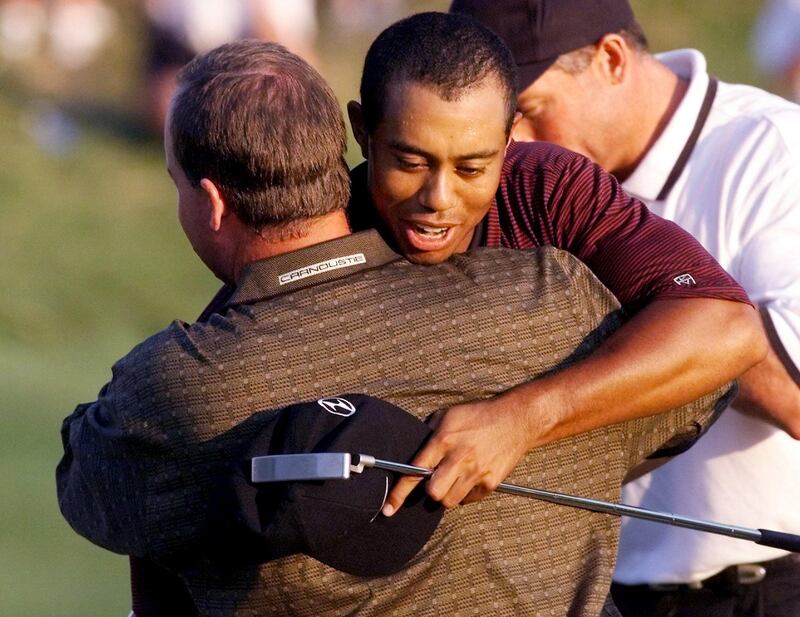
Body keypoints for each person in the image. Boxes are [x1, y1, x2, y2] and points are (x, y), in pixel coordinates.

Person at [58, 39, 729, 616]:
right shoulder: (555, 299)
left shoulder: (172, 387)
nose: (440, 196)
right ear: (352, 144)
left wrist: (523, 420)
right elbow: (699, 388)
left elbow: (91, 485)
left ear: (210, 202)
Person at [452, 0, 800, 615]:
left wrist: (677, 314)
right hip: (596, 592)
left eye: (529, 111)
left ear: (611, 59)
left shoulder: (771, 153)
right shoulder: (509, 191)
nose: (514, 152)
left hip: (767, 584)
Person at [345, 11, 765, 517]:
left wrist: (520, 420)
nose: (438, 197)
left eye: (473, 168)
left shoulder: (547, 186)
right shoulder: (328, 220)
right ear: (363, 131)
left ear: (509, 144)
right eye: (411, 163)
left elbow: (730, 327)